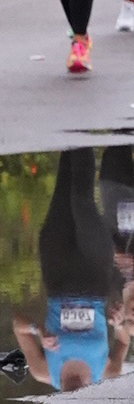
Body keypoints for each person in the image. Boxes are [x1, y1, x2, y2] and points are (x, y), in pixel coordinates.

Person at [9, 147, 130, 390]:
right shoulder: (107, 371)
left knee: (63, 187)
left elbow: (17, 325)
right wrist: (118, 322)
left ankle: (69, 133)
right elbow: (124, 339)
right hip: (95, 275)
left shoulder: (43, 372)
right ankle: (83, 133)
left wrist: (38, 330)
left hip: (58, 274)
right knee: (82, 200)